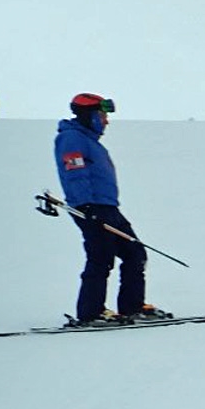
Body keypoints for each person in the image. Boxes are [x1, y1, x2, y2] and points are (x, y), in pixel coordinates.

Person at [53, 93, 172, 327]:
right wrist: (86, 206)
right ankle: (91, 313)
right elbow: (75, 173)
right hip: (90, 207)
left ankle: (132, 307)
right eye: (102, 116)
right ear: (90, 115)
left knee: (135, 253)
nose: (106, 121)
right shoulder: (72, 139)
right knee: (101, 258)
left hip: (107, 207)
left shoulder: (89, 141)